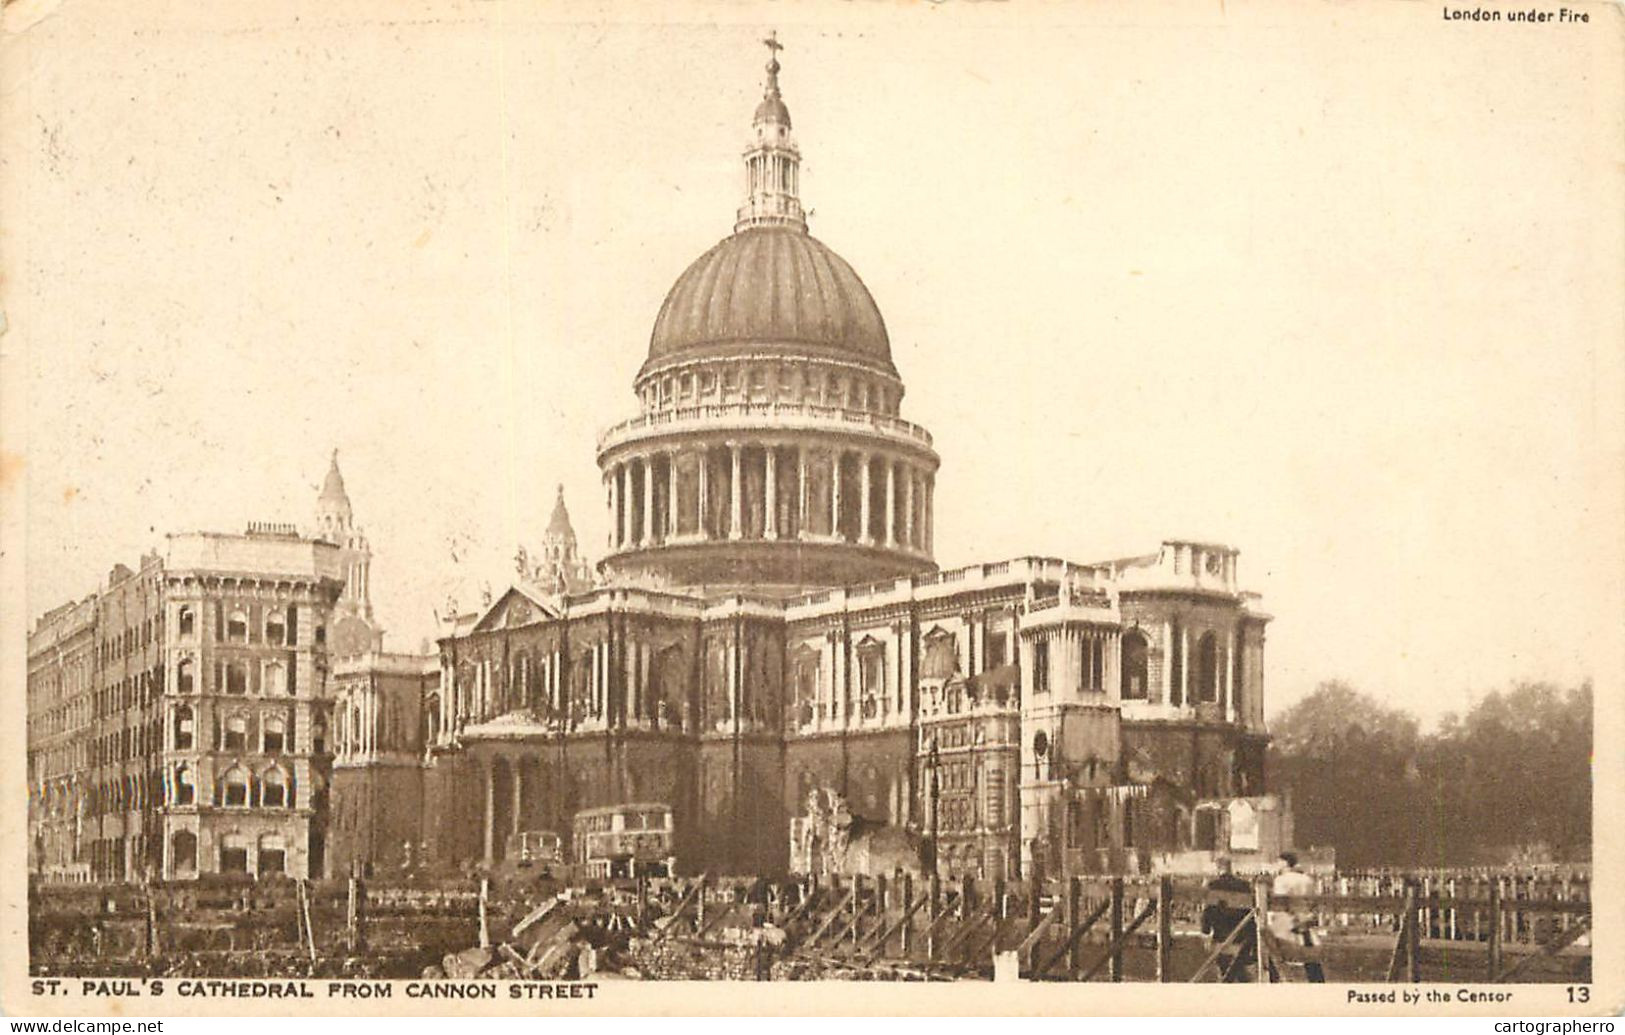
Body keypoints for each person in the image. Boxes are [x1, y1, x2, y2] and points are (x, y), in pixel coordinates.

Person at [1269, 851, 1324, 981]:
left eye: (1278, 862)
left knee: (1273, 949)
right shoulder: (1307, 880)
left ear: (1285, 863)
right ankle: (1316, 979)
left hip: (1288, 920)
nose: (1277, 865)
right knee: (1309, 953)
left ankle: (1275, 979)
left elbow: (1280, 903)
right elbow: (1312, 901)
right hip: (1305, 919)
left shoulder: (1281, 880)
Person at [1200, 856, 1257, 981]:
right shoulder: (1245, 885)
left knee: (1225, 967)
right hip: (1242, 932)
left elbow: (1208, 910)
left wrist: (1205, 931)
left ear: (1217, 868)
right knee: (1238, 967)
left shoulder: (1213, 885)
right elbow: (1251, 910)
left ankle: (1228, 981)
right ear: (1230, 868)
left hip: (1221, 932)